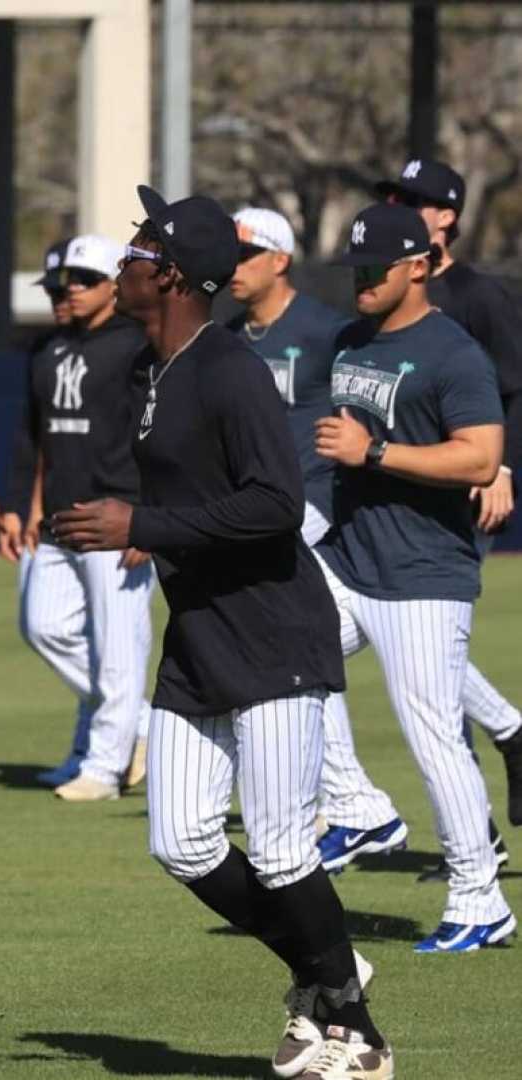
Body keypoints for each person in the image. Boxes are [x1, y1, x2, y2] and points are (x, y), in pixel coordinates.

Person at [53, 187, 391, 1079]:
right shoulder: (153, 369)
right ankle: (327, 972)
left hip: (275, 636)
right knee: (182, 843)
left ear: (168, 272)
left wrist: (143, 527)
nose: (122, 261)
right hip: (202, 635)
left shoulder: (228, 368)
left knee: (282, 851)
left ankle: (357, 1035)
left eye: (134, 250)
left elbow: (277, 505)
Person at [308, 202, 514, 953]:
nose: (360, 281)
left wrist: (373, 455)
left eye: (375, 269)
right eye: (353, 268)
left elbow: (479, 458)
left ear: (419, 266)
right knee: (288, 659)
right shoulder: (349, 340)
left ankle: (479, 897)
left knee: (433, 739)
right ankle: (359, 807)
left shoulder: (453, 353)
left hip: (424, 576)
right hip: (351, 560)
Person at [224, 208, 412, 874]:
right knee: (293, 649)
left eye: (245, 253)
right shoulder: (227, 336)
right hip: (255, 517)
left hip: (315, 512)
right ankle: (352, 810)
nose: (233, 265)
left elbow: (381, 406)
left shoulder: (327, 332)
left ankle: (358, 810)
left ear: (279, 258)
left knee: (291, 645)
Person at [379, 157, 522, 837]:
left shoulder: (478, 295)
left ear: (447, 218)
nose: (403, 205)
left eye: (416, 199)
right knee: (424, 666)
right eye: (396, 196)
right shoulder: (381, 287)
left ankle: (476, 827)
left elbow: (513, 392)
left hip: (460, 489)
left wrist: (501, 470)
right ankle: (479, 819)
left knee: (425, 662)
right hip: (389, 495)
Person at [14, 234, 153, 802]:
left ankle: (103, 766)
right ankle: (143, 726)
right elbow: (36, 437)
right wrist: (28, 506)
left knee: (120, 648)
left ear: (112, 287)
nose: (65, 292)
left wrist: (150, 516)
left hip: (118, 515)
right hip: (59, 516)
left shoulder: (138, 347)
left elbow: (161, 434)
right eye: (59, 283)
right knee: (43, 626)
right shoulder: (47, 349)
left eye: (81, 281)